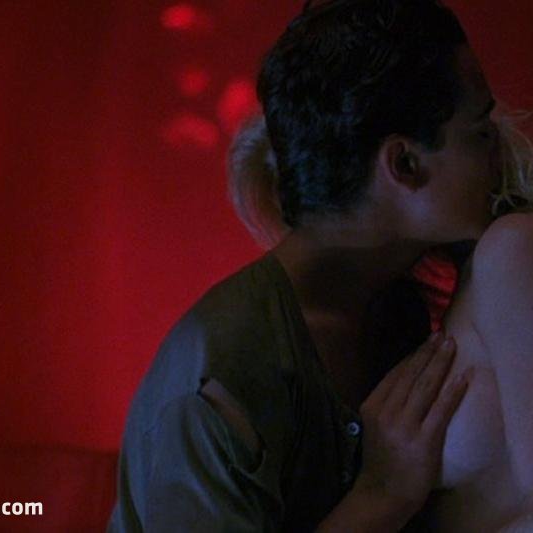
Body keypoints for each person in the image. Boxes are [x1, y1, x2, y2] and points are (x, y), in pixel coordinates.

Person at [226, 2, 533, 532]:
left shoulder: (526, 248)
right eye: (480, 130)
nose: (497, 144)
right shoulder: (487, 269)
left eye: (481, 129)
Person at [110, 1, 496, 531]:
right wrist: (381, 495)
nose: (502, 153)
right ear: (404, 164)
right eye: (482, 131)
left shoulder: (396, 311)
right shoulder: (221, 374)